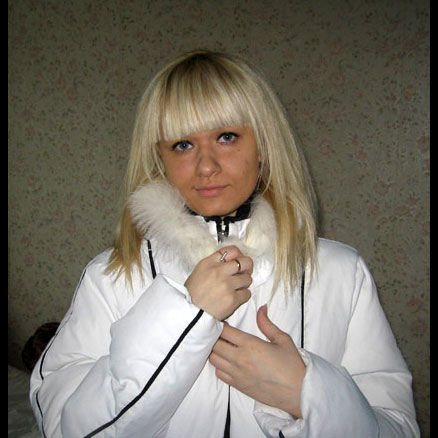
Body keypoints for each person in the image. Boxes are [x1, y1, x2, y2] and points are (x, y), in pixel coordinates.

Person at [30, 50, 419, 437]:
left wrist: (307, 394)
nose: (206, 166)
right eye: (183, 145)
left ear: (263, 146)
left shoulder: (341, 272)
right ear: (160, 158)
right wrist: (183, 315)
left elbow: (398, 427)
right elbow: (64, 428)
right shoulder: (111, 276)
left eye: (227, 137)